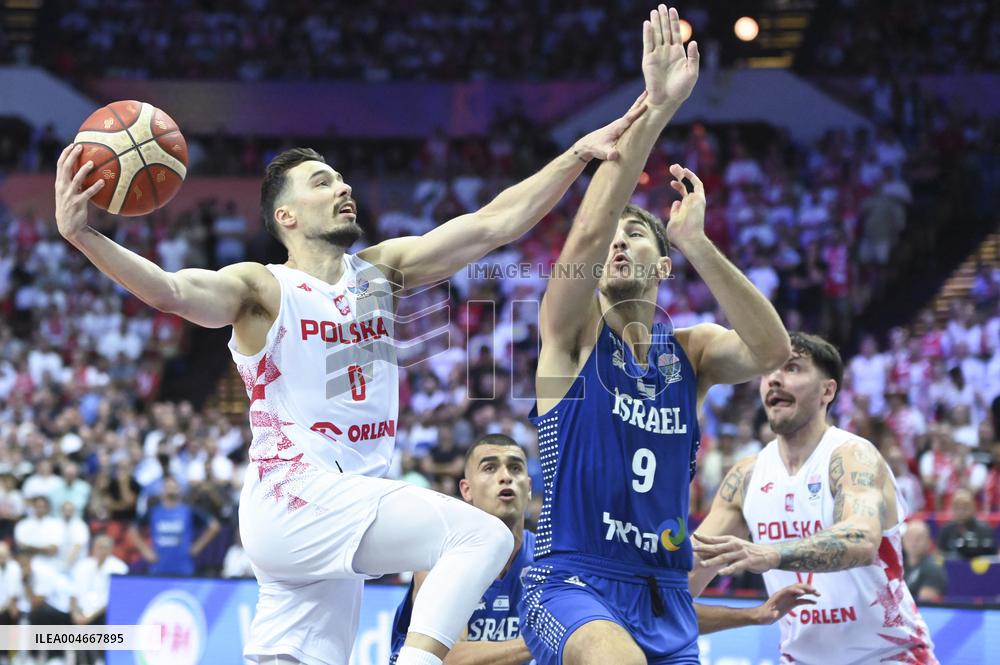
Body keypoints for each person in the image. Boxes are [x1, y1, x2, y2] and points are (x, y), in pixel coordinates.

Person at [55, 77, 647, 665]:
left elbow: (496, 223)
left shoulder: (380, 271)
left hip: (333, 511)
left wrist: (576, 155)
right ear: (284, 215)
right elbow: (171, 291)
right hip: (298, 496)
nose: (343, 187)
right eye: (322, 181)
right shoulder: (263, 285)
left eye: (341, 178)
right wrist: (85, 236)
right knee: (483, 535)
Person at [520, 7, 793, 664]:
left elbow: (771, 351)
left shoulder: (691, 351)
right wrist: (658, 109)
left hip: (664, 591)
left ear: (663, 263)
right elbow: (587, 229)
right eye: (616, 231)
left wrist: (696, 240)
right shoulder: (570, 336)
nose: (617, 240)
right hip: (570, 580)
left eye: (636, 233)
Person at [391, 435, 816, 665]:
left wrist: (754, 616)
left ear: (528, 485)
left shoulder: (554, 554)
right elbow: (450, 660)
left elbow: (636, 617)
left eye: (516, 468)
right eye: (491, 468)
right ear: (465, 490)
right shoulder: (440, 560)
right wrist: (559, 636)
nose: (507, 477)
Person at [690, 332, 937, 664]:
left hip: (889, 656)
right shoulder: (745, 478)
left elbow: (860, 540)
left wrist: (771, 554)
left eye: (792, 368)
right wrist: (749, 617)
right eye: (768, 370)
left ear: (827, 390)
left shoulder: (852, 456)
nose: (775, 378)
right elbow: (674, 592)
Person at [128, 475, 220, 576]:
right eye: (167, 487)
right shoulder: (153, 511)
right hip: (158, 567)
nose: (170, 490)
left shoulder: (188, 510)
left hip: (184, 567)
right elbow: (133, 530)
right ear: (162, 490)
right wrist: (145, 551)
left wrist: (197, 547)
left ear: (179, 490)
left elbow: (214, 526)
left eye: (174, 487)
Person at [936, 488, 997, 559]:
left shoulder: (984, 530)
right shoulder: (946, 530)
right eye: (957, 507)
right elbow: (940, 556)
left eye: (965, 507)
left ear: (974, 508)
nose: (961, 511)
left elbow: (993, 558)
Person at [902, 519, 948, 602]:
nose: (914, 542)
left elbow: (925, 603)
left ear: (929, 542)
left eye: (919, 538)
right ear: (903, 540)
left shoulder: (933, 568)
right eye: (910, 537)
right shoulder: (899, 566)